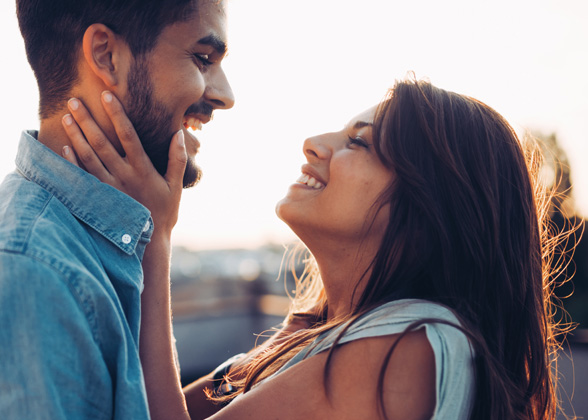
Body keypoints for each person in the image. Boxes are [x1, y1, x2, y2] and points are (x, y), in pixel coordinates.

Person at [59, 78, 564, 419]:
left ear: (429, 208)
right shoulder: (318, 333)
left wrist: (153, 236)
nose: (314, 143)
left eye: (360, 143)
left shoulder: (413, 346)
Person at [0, 0, 234, 418]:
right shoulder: (22, 279)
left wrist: (155, 238)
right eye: (203, 59)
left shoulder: (85, 250)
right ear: (105, 55)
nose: (225, 96)